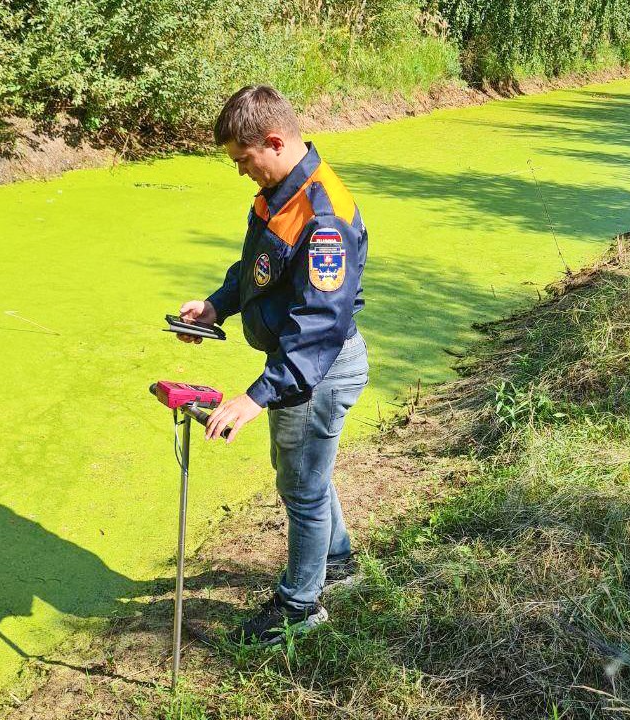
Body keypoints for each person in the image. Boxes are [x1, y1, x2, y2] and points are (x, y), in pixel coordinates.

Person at [176, 85, 369, 645]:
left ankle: (300, 605)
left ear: (275, 140)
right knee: (308, 474)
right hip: (304, 367)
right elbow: (257, 269)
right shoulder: (277, 194)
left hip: (318, 372)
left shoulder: (322, 215)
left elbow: (319, 328)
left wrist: (256, 397)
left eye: (243, 159)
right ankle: (338, 563)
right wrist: (217, 303)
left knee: (302, 489)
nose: (240, 172)